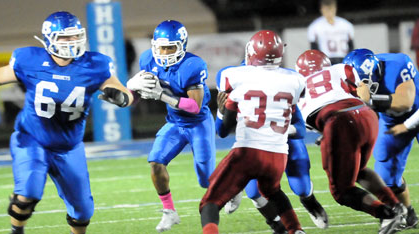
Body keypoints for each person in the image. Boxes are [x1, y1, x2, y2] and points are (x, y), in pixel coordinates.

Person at [0, 11, 138, 234]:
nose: (72, 42)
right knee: (28, 193)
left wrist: (122, 97)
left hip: (69, 147)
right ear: (48, 39)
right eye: (65, 37)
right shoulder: (30, 59)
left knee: (83, 211)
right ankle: (17, 231)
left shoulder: (95, 65)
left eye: (75, 36)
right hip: (32, 139)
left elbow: (124, 93)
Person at [199, 30, 306, 234]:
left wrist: (221, 113)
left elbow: (222, 131)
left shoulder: (235, 76)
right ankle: (295, 229)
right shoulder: (295, 80)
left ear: (251, 53)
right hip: (277, 155)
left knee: (209, 204)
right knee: (272, 190)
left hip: (247, 152)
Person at [296, 49, 407, 234]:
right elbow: (364, 91)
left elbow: (314, 121)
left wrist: (330, 133)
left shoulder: (298, 91)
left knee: (342, 191)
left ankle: (385, 213)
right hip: (367, 116)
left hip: (338, 123)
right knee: (358, 171)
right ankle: (396, 206)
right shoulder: (341, 68)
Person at [126, 20, 216, 233]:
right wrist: (124, 96)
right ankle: (170, 212)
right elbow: (139, 94)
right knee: (156, 162)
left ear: (182, 45)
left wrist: (162, 96)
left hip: (198, 124)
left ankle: (230, 187)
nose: (165, 52)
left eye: (170, 47)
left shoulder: (193, 65)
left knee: (206, 180)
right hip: (175, 123)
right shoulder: (148, 59)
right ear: (154, 44)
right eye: (161, 47)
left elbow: (194, 106)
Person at [215, 65, 328, 232]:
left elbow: (300, 131)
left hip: (286, 142)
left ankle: (309, 201)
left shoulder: (280, 92)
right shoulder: (237, 93)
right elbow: (222, 132)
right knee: (254, 192)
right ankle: (276, 223)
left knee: (301, 188)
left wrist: (277, 129)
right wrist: (221, 111)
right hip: (256, 146)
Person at [343, 48, 419, 229]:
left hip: (416, 111)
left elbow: (406, 101)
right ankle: (408, 214)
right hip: (391, 121)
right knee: (385, 176)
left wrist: (372, 99)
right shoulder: (351, 78)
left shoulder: (398, 64)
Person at [307, 0, 354, 64]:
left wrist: (350, 60)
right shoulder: (315, 26)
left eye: (331, 9)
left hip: (344, 59)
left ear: (335, 8)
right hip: (326, 60)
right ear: (321, 10)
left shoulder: (346, 25)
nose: (329, 12)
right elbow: (314, 48)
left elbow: (351, 46)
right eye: (326, 9)